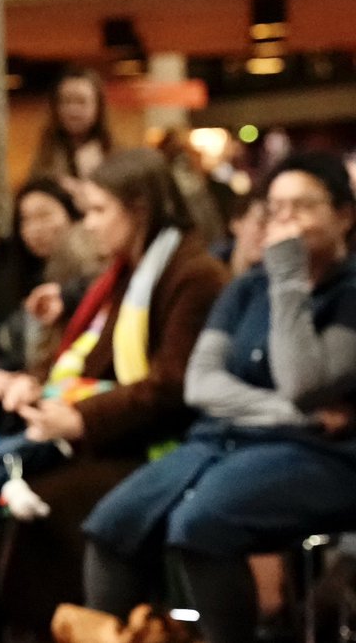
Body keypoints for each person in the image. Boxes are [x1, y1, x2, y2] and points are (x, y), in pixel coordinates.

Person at [82, 151, 356, 643]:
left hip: (322, 456)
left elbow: (304, 381)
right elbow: (201, 383)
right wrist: (298, 416)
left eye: (302, 206)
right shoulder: (247, 286)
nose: (285, 219)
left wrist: (289, 277)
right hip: (230, 439)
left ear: (344, 215)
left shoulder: (347, 291)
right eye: (275, 208)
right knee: (111, 523)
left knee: (202, 526)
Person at [0, 148, 228, 643]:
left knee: (15, 495)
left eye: (99, 211)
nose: (89, 225)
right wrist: (37, 389)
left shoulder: (194, 275)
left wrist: (79, 419)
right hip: (116, 432)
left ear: (140, 208)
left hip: (163, 442)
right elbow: (88, 360)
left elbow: (172, 388)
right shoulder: (132, 271)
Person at [0, 178, 100, 435]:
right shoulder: (12, 280)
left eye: (45, 215)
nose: (36, 228)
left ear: (72, 215)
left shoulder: (94, 278)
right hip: (20, 414)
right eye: (25, 220)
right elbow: (2, 356)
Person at [28, 67, 113, 207]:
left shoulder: (114, 154)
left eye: (81, 102)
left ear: (98, 106)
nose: (73, 110)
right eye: (66, 102)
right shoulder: (45, 156)